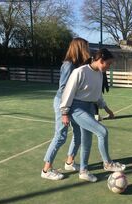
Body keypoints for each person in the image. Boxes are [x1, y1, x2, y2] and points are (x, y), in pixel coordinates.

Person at [60, 48, 126, 182]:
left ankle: (83, 171)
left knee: (86, 141)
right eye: (108, 64)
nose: (108, 67)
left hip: (89, 108)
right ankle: (107, 164)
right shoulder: (79, 72)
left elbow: (97, 95)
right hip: (77, 109)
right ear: (100, 60)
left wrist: (107, 109)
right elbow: (68, 92)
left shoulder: (100, 74)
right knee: (102, 132)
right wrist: (64, 113)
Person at [41, 37, 90, 180]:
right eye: (86, 47)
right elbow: (63, 89)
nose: (88, 50)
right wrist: (64, 113)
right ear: (79, 48)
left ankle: (69, 162)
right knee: (60, 136)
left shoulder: (77, 65)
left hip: (73, 103)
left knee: (78, 134)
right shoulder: (68, 65)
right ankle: (46, 170)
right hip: (62, 104)